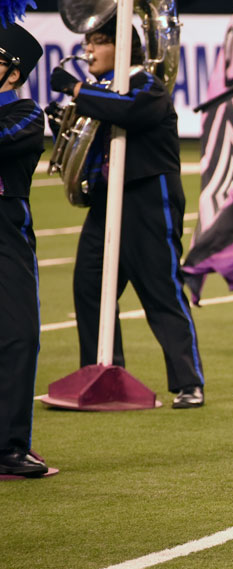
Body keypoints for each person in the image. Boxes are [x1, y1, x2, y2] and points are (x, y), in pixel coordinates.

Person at [49, 18, 206, 409]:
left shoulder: (148, 85)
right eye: (87, 43)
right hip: (107, 202)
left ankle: (189, 383)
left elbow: (129, 111)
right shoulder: (104, 92)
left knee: (161, 290)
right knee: (89, 285)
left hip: (150, 199)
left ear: (121, 48)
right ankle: (101, 372)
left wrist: (76, 89)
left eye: (97, 43)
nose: (88, 51)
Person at [0, 22, 50, 477]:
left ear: (13, 74)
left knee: (18, 336)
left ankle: (9, 446)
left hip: (5, 233)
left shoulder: (26, 114)